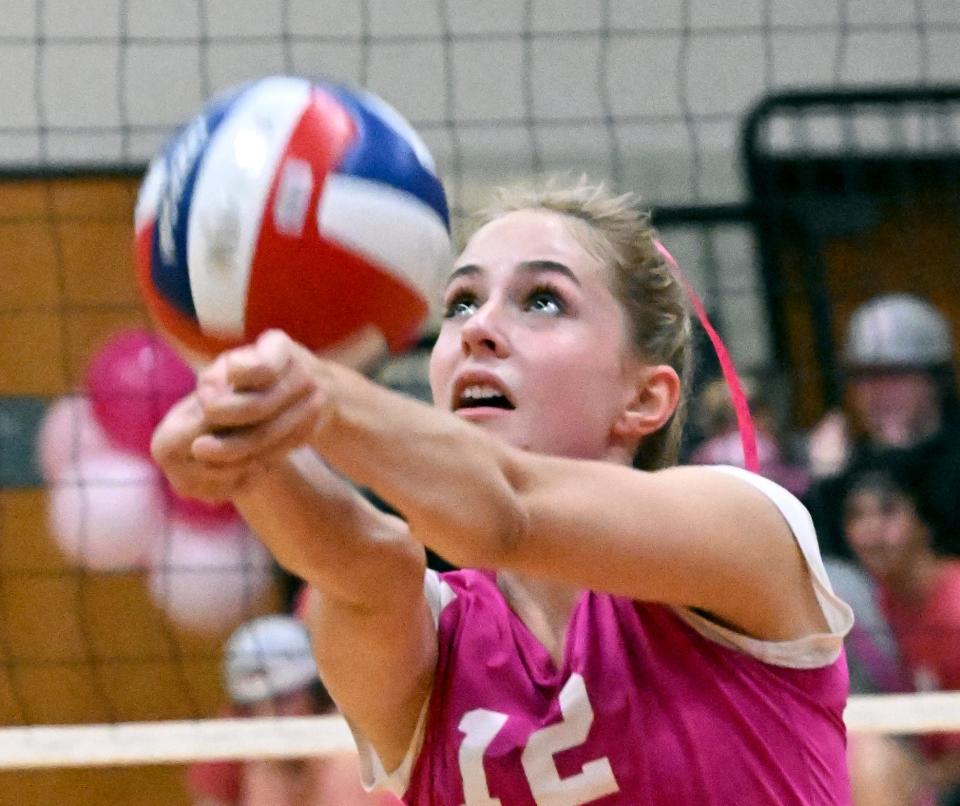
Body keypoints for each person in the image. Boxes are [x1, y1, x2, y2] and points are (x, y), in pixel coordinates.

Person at [153, 179, 854, 804]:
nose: (479, 328)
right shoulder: (436, 641)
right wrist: (237, 438)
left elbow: (504, 512)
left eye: (542, 300)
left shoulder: (745, 531)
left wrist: (319, 390)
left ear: (644, 397)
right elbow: (364, 562)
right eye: (460, 303)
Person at [805, 294, 960, 559]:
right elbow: (835, 569)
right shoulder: (852, 464)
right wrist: (826, 484)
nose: (878, 391)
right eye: (864, 376)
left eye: (895, 374)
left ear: (934, 380)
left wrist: (900, 460)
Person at [842, 467, 960, 806]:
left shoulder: (953, 604)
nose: (870, 531)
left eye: (888, 511)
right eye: (856, 516)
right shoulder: (873, 605)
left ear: (924, 523)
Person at [186, 614, 390, 806]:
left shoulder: (354, 756)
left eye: (284, 700)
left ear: (316, 694)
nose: (268, 716)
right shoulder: (247, 747)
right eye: (251, 705)